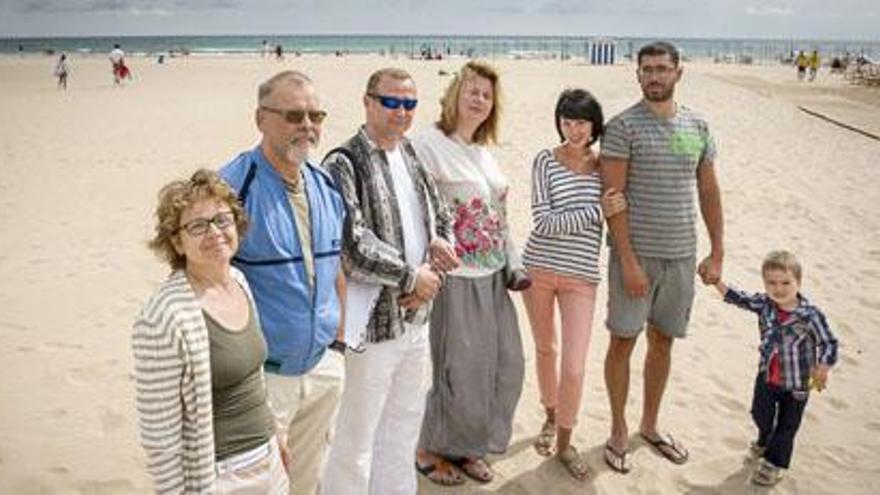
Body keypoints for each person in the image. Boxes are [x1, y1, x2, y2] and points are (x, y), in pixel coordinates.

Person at [320, 67, 458, 495]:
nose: (401, 112)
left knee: (401, 428)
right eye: (391, 102)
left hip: (418, 318)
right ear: (368, 101)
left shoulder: (412, 154)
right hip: (374, 323)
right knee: (356, 437)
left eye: (410, 104)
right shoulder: (344, 162)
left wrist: (439, 248)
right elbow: (351, 243)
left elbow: (441, 213)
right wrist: (409, 276)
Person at [218, 70, 346, 495]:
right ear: (261, 119)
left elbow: (337, 269)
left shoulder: (324, 184)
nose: (307, 126)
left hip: (323, 368)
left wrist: (338, 346)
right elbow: (207, 287)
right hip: (263, 380)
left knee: (307, 481)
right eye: (294, 115)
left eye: (315, 114)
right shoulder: (231, 189)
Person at [600, 41, 724, 473]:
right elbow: (611, 198)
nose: (654, 76)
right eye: (647, 69)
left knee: (663, 341)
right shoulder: (622, 127)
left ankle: (649, 425)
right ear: (637, 75)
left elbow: (708, 191)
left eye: (662, 69)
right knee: (623, 340)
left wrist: (717, 251)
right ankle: (617, 429)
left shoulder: (698, 126)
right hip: (635, 256)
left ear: (678, 73)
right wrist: (629, 262)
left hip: (681, 255)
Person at [133, 169, 289, 494]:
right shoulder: (164, 317)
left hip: (270, 463)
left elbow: (254, 376)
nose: (215, 232)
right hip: (221, 477)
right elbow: (160, 438)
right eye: (198, 226)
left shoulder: (239, 281)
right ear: (176, 241)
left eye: (222, 219)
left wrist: (274, 434)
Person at [413, 60, 526, 486]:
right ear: (455, 95)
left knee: (503, 367)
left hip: (495, 276)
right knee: (456, 370)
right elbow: (417, 208)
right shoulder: (429, 143)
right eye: (472, 90)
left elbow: (499, 214)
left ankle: (468, 448)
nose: (479, 98)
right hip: (455, 279)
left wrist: (512, 260)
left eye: (486, 94)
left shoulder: (483, 152)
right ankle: (429, 449)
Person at [521, 89, 626, 480]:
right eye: (567, 121)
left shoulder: (606, 168)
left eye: (581, 121)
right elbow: (543, 222)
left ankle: (566, 442)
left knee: (576, 367)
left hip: (582, 276)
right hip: (538, 269)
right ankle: (550, 417)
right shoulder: (544, 161)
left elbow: (620, 208)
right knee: (545, 349)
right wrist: (595, 210)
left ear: (594, 124)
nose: (574, 129)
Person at [711, 250, 838, 486]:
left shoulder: (810, 316)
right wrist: (716, 281)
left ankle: (775, 463)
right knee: (761, 415)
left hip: (798, 383)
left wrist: (823, 366)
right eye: (772, 283)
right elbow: (740, 298)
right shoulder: (765, 305)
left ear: (798, 282)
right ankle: (763, 439)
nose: (778, 288)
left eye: (785, 282)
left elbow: (829, 342)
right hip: (767, 376)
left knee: (788, 426)